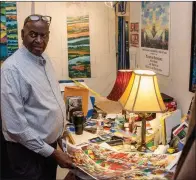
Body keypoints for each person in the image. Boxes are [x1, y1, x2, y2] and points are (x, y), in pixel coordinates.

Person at [1, 14, 73, 180]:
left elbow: (51, 99)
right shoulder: (12, 69)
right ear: (22, 34)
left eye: (44, 35)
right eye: (33, 34)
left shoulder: (45, 59)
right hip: (27, 154)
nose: (39, 40)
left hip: (48, 149)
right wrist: (53, 153)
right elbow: (16, 128)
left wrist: (61, 132)